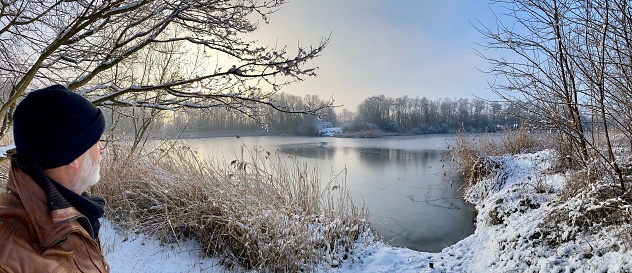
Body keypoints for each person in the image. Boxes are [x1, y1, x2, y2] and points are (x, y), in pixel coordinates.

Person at [0, 85, 109, 272]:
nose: (102, 150)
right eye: (96, 142)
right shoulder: (10, 256)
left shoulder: (72, 210)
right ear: (74, 155)